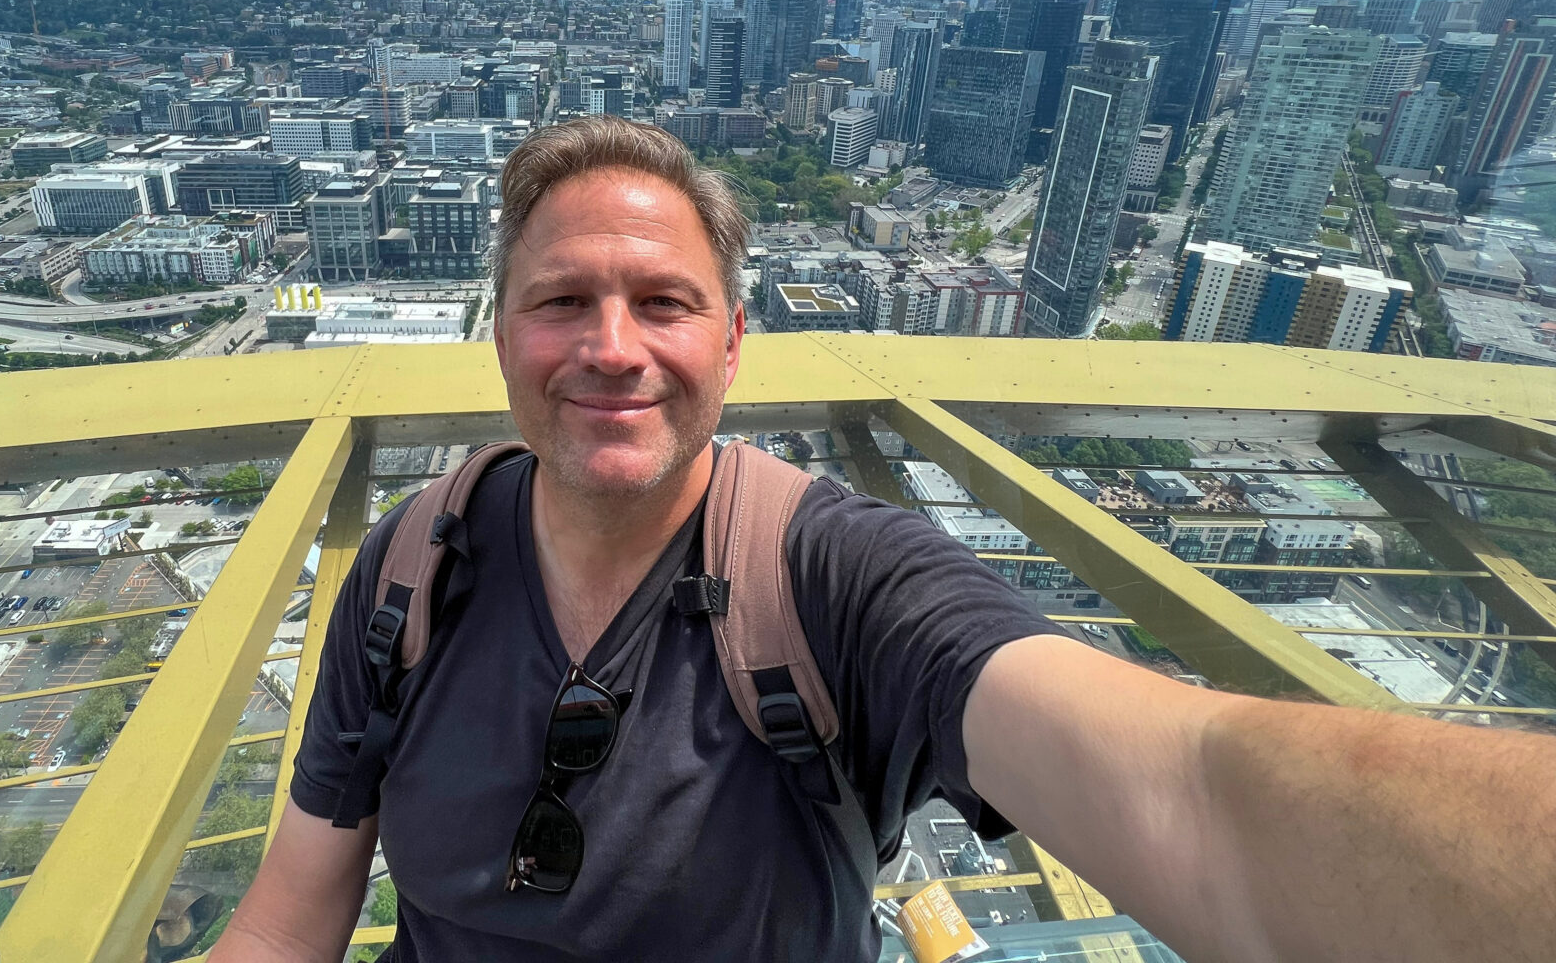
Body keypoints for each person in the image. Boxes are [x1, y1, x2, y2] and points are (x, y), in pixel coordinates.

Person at [214, 116, 1556, 963]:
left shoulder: (834, 584)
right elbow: (288, 918)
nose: (612, 349)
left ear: (735, 343)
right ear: (501, 337)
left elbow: (1188, 786)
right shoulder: (413, 571)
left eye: (665, 303)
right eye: (561, 301)